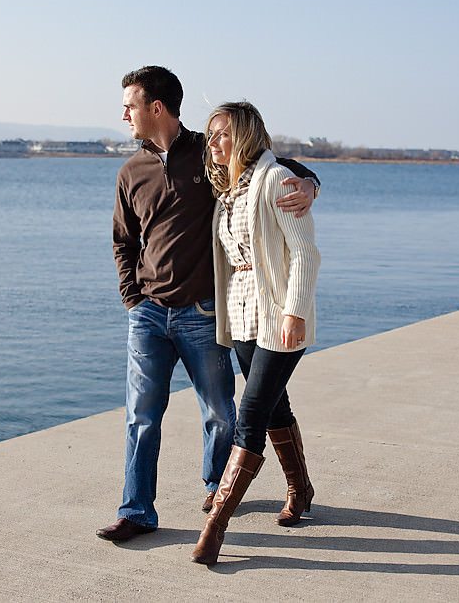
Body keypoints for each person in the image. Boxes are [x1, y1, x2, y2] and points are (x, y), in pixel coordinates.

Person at [97, 67, 320, 542]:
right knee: (140, 415)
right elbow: (122, 241)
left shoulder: (211, 148)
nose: (124, 115)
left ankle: (219, 489)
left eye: (130, 106)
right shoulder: (130, 170)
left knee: (221, 412)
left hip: (203, 313)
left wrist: (312, 183)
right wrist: (133, 300)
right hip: (149, 314)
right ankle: (136, 510)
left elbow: (279, 169)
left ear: (156, 107)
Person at [191, 102, 320, 565]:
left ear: (245, 134)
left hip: (279, 314)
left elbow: (305, 252)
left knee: (250, 415)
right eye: (210, 135)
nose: (213, 142)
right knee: (272, 405)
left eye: (222, 133)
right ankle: (300, 488)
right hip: (243, 315)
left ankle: (216, 526)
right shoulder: (227, 188)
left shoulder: (276, 179)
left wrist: (294, 312)